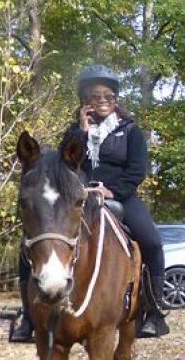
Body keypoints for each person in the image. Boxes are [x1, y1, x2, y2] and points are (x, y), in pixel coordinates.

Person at [62, 64, 169, 337]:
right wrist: (81, 132)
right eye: (95, 96)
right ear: (85, 100)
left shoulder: (130, 130)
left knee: (153, 242)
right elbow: (64, 164)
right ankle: (30, 317)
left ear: (115, 99)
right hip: (80, 196)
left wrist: (113, 191)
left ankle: (154, 312)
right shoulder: (74, 131)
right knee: (40, 231)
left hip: (121, 194)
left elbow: (137, 169)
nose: (102, 101)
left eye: (108, 96)